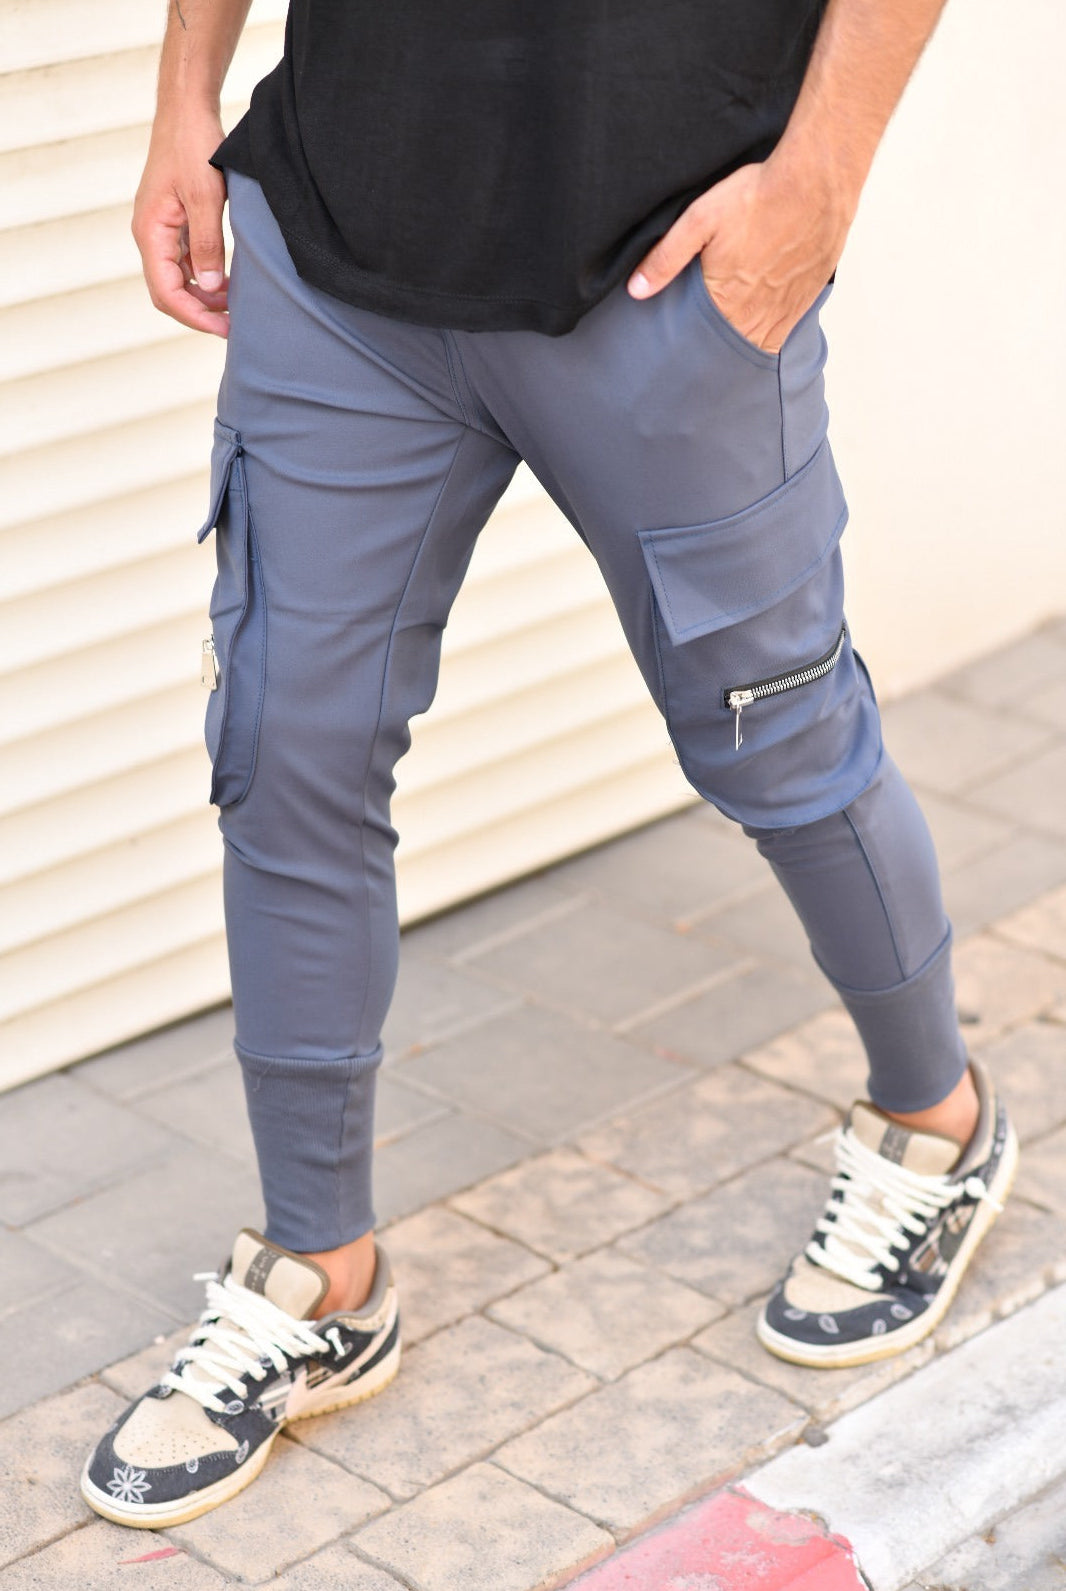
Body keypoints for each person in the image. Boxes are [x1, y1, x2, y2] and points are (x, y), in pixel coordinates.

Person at [81, 0, 1017, 1528]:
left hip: (665, 262)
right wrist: (184, 96)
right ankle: (322, 1274)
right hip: (338, 239)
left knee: (776, 738)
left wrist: (815, 185)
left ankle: (938, 1124)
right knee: (284, 753)